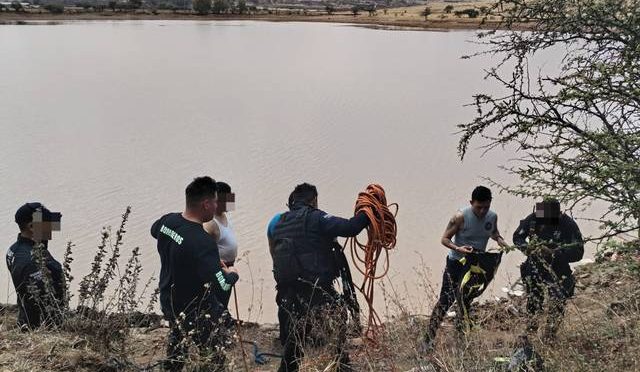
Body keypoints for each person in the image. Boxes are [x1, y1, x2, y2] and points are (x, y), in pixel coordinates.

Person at [267, 183, 369, 372]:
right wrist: (368, 212)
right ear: (313, 200)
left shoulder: (280, 222)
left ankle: (291, 368)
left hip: (289, 289)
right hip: (315, 286)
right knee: (338, 316)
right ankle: (341, 364)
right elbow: (350, 227)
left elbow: (274, 252)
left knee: (298, 332)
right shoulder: (316, 218)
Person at [151, 176, 239, 371]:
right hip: (196, 310)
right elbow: (222, 284)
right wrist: (232, 273)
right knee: (213, 358)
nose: (218, 205)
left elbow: (154, 231)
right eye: (216, 201)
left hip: (169, 300)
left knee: (177, 348)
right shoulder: (202, 242)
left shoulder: (167, 222)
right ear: (206, 204)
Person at [422, 186, 509, 349]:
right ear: (471, 203)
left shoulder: (492, 216)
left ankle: (461, 340)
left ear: (490, 204)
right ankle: (428, 340)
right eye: (478, 207)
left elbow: (493, 232)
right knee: (446, 300)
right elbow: (445, 239)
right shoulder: (460, 217)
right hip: (456, 263)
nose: (482, 211)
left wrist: (500, 240)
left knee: (466, 301)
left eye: (486, 207)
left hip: (475, 266)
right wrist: (458, 248)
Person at [513, 199, 584, 339]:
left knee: (558, 300)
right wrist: (528, 249)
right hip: (535, 266)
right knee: (534, 300)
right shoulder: (533, 219)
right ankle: (531, 330)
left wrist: (555, 253)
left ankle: (550, 334)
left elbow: (578, 251)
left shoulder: (567, 224)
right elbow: (517, 237)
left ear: (557, 214)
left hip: (558, 268)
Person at [6, 202, 65, 330]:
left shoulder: (13, 250)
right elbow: (44, 302)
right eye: (47, 224)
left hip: (25, 319)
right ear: (32, 226)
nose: (51, 228)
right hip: (42, 328)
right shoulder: (33, 262)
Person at [203, 181, 238, 310]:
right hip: (219, 270)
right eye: (227, 199)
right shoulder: (210, 223)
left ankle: (222, 321)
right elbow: (204, 250)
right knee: (218, 301)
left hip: (229, 268)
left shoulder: (223, 216)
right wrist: (219, 266)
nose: (231, 203)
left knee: (224, 301)